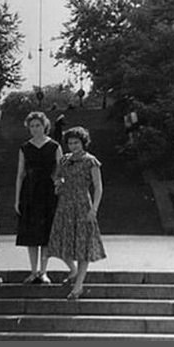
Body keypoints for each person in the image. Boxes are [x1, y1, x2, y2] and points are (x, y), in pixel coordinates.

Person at [47, 126, 106, 300]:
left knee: (83, 245)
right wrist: (59, 183)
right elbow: (56, 176)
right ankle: (73, 270)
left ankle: (78, 286)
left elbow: (98, 187)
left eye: (76, 143)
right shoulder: (64, 160)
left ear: (83, 143)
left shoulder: (91, 161)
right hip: (65, 203)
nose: (73, 146)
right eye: (71, 143)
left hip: (82, 204)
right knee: (60, 241)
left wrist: (94, 209)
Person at [14, 111, 63, 284]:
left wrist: (58, 188)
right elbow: (20, 174)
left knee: (46, 235)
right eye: (32, 126)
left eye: (38, 125)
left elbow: (61, 170)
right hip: (30, 191)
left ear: (45, 126)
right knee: (31, 235)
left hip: (48, 192)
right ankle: (33, 271)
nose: (35, 129)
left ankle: (43, 271)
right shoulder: (25, 147)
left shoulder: (55, 146)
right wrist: (17, 199)